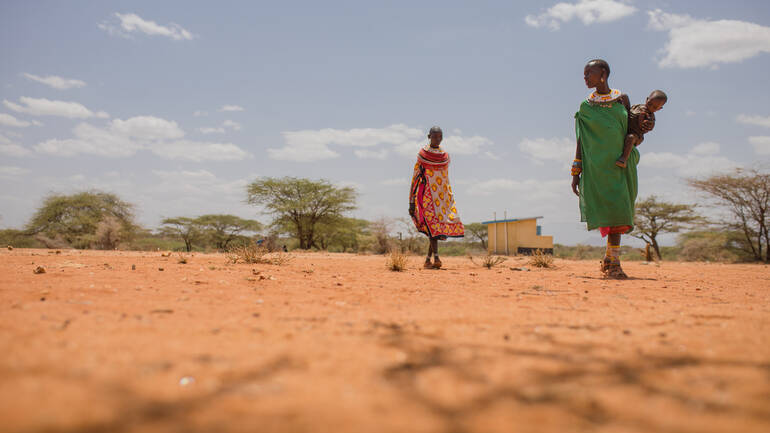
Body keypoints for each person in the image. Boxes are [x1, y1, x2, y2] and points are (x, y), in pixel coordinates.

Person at [571, 59, 637, 279]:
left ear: (603, 74)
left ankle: (611, 260)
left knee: (619, 210)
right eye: (584, 74)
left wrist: (633, 143)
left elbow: (634, 132)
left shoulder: (622, 101)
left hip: (620, 163)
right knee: (610, 213)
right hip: (596, 167)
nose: (585, 78)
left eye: (589, 73)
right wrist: (576, 170)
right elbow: (581, 140)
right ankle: (613, 262)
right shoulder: (585, 107)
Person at [409, 126, 465, 269]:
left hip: (442, 197)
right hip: (427, 195)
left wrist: (448, 196)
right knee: (432, 226)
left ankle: (428, 260)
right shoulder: (423, 155)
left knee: (434, 229)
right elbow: (416, 177)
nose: (438, 139)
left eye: (440, 136)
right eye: (435, 136)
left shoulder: (445, 156)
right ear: (429, 136)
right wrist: (412, 201)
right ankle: (436, 258)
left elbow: (445, 178)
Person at [616, 90, 667, 168]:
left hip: (636, 135)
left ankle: (623, 159)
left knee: (630, 138)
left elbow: (649, 126)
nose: (650, 107)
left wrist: (645, 122)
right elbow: (629, 111)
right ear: (647, 99)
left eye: (655, 107)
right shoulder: (638, 106)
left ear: (659, 109)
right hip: (626, 123)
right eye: (650, 103)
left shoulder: (650, 117)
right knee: (624, 96)